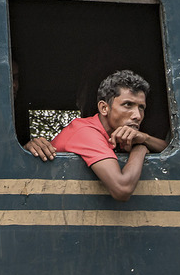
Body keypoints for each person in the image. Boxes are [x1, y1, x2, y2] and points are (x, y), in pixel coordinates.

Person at [25, 70, 166, 201]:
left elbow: (168, 148)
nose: (137, 116)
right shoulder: (85, 132)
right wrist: (140, 149)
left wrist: (145, 138)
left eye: (141, 107)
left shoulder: (117, 134)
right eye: (128, 105)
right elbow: (122, 189)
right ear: (104, 108)